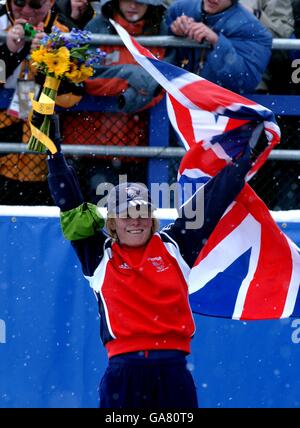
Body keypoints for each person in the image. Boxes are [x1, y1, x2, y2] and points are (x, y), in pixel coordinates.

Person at [44, 113, 254, 408]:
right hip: (123, 374)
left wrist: (243, 162)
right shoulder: (98, 255)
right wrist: (54, 155)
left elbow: (212, 201)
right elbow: (70, 204)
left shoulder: (175, 245)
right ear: (113, 223)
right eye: (126, 214)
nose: (136, 221)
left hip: (173, 372)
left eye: (142, 213)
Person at [60, 0, 175, 200]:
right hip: (92, 148)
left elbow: (165, 80)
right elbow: (87, 79)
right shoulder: (97, 27)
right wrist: (131, 76)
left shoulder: (162, 31)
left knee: (136, 216)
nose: (134, 6)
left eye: (142, 1)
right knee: (97, 219)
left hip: (141, 149)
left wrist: (134, 91)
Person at [0, 0, 81, 204]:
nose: (26, 10)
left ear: (51, 2)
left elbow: (76, 91)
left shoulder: (65, 29)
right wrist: (9, 51)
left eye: (35, 4)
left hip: (42, 134)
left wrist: (49, 61)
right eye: (19, 2)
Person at [166, 0, 272, 94]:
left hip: (221, 106)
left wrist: (217, 42)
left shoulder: (254, 30)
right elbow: (158, 59)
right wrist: (174, 31)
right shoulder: (179, 9)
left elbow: (245, 81)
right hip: (176, 97)